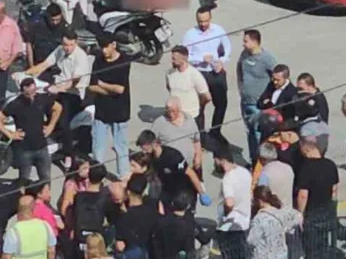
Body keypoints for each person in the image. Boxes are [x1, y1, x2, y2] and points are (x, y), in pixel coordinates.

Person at [26, 29, 93, 168]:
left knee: (63, 121)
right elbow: (44, 65)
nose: (67, 48)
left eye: (70, 45)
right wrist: (25, 74)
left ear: (75, 43)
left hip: (73, 93)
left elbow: (74, 81)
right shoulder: (60, 50)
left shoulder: (81, 57)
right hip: (59, 86)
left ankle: (68, 153)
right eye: (65, 44)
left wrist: (59, 88)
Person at [0, 77, 61, 182]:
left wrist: (51, 125)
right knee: (24, 180)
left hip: (42, 146)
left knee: (46, 178)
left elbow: (58, 108)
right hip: (24, 149)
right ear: (22, 92)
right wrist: (10, 134)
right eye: (28, 93)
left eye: (33, 92)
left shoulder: (42, 99)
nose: (31, 95)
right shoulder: (15, 104)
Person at [295, 137, 338, 259]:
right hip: (326, 210)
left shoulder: (306, 169)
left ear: (306, 150)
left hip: (312, 212)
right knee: (324, 245)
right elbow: (334, 191)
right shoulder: (331, 165)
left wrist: (300, 213)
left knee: (310, 248)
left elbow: (303, 195)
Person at [182, 8, 231, 143]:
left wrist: (222, 61)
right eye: (200, 22)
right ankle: (200, 136)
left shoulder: (218, 30)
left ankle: (215, 131)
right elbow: (185, 56)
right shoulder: (190, 35)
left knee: (221, 104)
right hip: (200, 73)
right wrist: (201, 58)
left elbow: (227, 48)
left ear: (210, 18)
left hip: (216, 72)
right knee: (199, 106)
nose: (203, 24)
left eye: (206, 21)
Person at [88, 34, 132, 177]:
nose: (103, 50)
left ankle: (123, 176)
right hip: (101, 111)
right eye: (102, 47)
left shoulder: (124, 61)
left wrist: (102, 84)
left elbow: (120, 89)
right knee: (98, 148)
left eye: (106, 47)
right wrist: (109, 90)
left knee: (121, 147)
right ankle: (97, 176)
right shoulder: (98, 60)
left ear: (113, 45)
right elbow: (92, 86)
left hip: (120, 112)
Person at [136, 130, 210, 209]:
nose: (143, 151)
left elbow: (190, 173)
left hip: (182, 192)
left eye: (144, 147)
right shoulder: (151, 156)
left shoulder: (173, 156)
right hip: (167, 190)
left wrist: (202, 193)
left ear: (154, 143)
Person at [237, 30, 277, 162]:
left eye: (246, 41)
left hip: (259, 105)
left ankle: (263, 163)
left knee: (259, 133)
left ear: (255, 42)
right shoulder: (244, 55)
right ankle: (253, 161)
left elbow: (278, 76)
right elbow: (239, 69)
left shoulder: (267, 59)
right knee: (250, 133)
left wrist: (270, 97)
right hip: (246, 102)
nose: (243, 44)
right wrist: (241, 89)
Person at [214, 147, 251, 259]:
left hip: (230, 225)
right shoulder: (244, 172)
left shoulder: (228, 178)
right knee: (242, 257)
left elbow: (229, 202)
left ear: (221, 161)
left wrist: (226, 212)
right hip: (244, 221)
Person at [166, 46, 211, 139]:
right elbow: (169, 88)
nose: (172, 61)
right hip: (175, 116)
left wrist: (199, 106)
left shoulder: (194, 74)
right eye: (172, 58)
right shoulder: (169, 73)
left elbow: (207, 96)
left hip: (191, 116)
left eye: (175, 58)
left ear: (184, 58)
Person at [151, 96, 202, 177]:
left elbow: (196, 140)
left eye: (174, 111)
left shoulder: (189, 119)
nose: (171, 114)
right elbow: (152, 143)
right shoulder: (159, 123)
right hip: (170, 169)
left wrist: (198, 156)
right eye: (168, 111)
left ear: (179, 108)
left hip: (189, 166)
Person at [115, 174, 159, 253]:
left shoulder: (123, 217)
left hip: (132, 258)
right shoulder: (152, 212)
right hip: (149, 256)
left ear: (128, 192)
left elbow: (120, 246)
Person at [294, 73, 330, 154]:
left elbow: (323, 119)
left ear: (310, 87)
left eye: (301, 88)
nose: (298, 91)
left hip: (315, 136)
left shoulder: (319, 100)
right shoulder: (303, 97)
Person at [26, 3, 68, 72]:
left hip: (55, 67)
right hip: (38, 63)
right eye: (52, 20)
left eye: (58, 19)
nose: (55, 22)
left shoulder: (65, 27)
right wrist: (31, 65)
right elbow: (29, 44)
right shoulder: (37, 25)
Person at [254, 142, 293, 209]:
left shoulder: (265, 174)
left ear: (261, 159)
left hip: (272, 212)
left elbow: (261, 196)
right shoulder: (288, 168)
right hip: (288, 210)